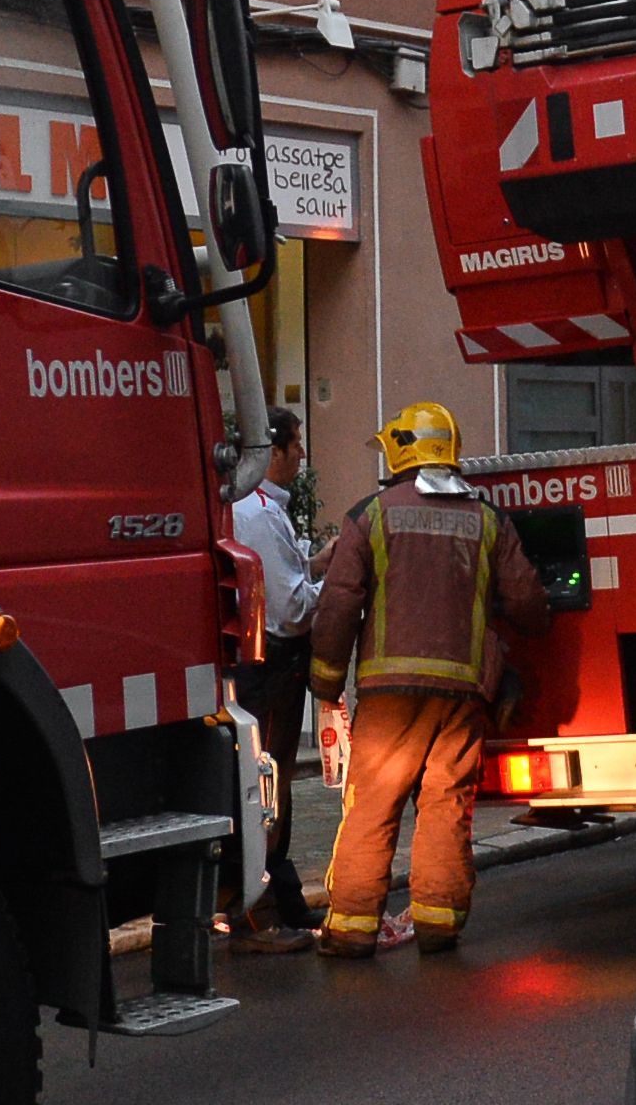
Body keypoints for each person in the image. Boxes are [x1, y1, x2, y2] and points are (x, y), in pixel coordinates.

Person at [308, 401, 549, 957]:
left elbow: (339, 605)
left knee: (372, 805)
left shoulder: (371, 515)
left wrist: (324, 683)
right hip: (464, 693)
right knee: (446, 804)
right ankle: (439, 924)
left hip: (389, 695)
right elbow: (529, 603)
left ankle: (350, 929)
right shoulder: (488, 519)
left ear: (400, 450)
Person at [229, 407, 324, 952]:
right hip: (271, 667)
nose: (302, 455)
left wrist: (313, 566)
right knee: (268, 787)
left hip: (257, 665)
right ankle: (261, 915)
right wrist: (327, 588)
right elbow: (289, 608)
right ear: (273, 450)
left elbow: (283, 580)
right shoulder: (260, 513)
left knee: (267, 785)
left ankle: (280, 902)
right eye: (296, 444)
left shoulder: (257, 508)